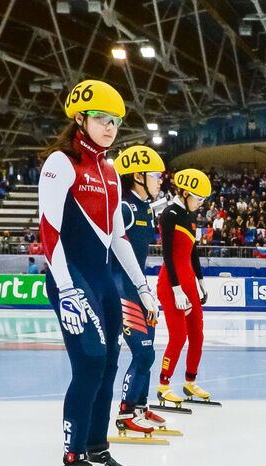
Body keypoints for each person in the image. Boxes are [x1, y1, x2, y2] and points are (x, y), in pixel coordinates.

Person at [38, 79, 157, 466]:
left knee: (107, 365)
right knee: (88, 363)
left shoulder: (109, 170)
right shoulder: (60, 162)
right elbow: (49, 231)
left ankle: (96, 449)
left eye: (116, 121)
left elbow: (119, 237)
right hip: (73, 280)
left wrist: (143, 288)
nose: (110, 127)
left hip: (104, 282)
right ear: (80, 118)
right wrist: (67, 288)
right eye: (102, 119)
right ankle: (72, 462)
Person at [111, 145, 165, 435]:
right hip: (122, 290)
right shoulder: (123, 208)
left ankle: (141, 407)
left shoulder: (146, 208)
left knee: (149, 351)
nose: (160, 181)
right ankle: (125, 412)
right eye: (156, 176)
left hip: (140, 288)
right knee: (142, 354)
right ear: (138, 176)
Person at [156, 169, 212, 405]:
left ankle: (190, 381)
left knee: (197, 336)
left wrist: (200, 281)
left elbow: (193, 251)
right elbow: (168, 254)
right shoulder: (169, 214)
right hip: (171, 283)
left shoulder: (190, 216)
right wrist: (177, 288)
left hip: (188, 281)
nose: (200, 205)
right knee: (178, 337)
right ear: (186, 192)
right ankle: (163, 385)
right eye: (198, 199)